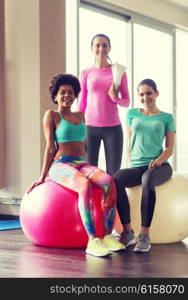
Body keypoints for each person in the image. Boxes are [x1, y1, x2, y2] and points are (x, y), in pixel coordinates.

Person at [27, 73, 125, 257]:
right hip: (60, 165)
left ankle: (106, 236)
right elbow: (50, 147)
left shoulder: (81, 115)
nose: (67, 95)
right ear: (55, 96)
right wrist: (42, 177)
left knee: (108, 181)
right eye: (62, 92)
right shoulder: (52, 115)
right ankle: (92, 240)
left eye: (71, 92)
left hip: (81, 164)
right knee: (84, 185)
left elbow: (85, 145)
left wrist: (90, 168)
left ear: (75, 95)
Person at [114, 79, 176, 252]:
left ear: (156, 93)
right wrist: (129, 161)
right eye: (141, 94)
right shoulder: (132, 114)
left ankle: (144, 234)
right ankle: (127, 232)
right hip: (137, 165)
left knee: (147, 179)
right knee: (116, 178)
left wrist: (159, 161)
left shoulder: (167, 117)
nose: (145, 97)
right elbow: (130, 140)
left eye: (149, 93)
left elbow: (170, 147)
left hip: (160, 166)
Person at [78, 33, 130, 176]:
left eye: (104, 45)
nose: (101, 48)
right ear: (92, 48)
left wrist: (115, 98)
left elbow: (126, 101)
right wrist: (78, 128)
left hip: (113, 129)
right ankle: (92, 199)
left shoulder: (119, 72)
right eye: (97, 45)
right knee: (89, 173)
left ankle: (112, 199)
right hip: (89, 128)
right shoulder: (85, 73)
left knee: (114, 174)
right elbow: (82, 103)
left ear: (110, 48)